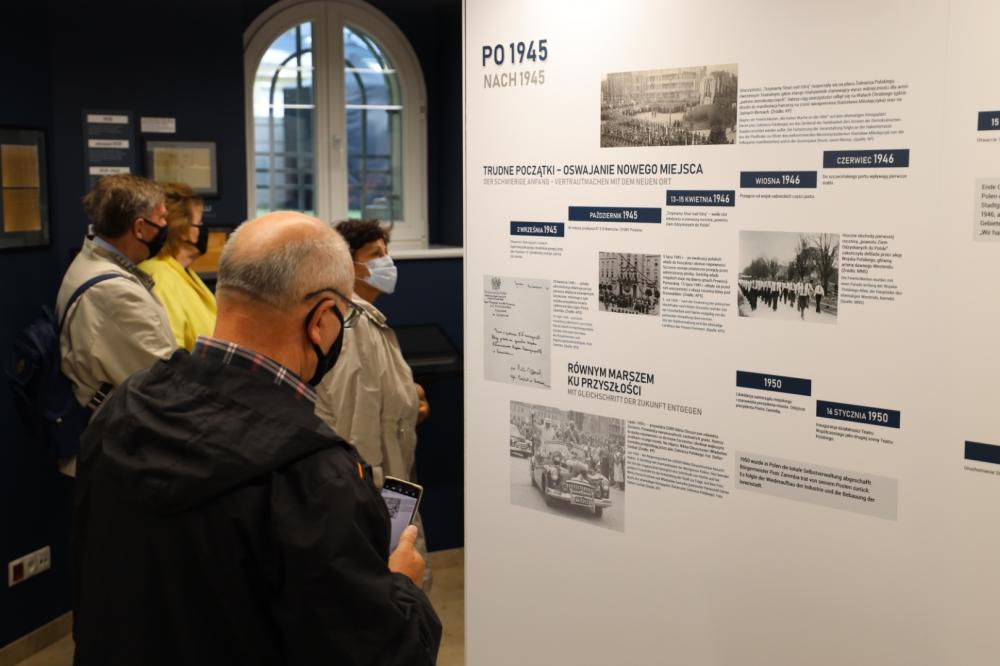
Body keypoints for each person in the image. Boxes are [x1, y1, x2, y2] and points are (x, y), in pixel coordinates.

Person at [72, 211, 441, 665]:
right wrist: (403, 589)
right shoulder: (315, 475)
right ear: (321, 319)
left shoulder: (124, 409)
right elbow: (382, 653)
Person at [314, 219, 433, 585]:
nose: (387, 262)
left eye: (387, 252)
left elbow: (378, 393)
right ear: (348, 265)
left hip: (389, 485)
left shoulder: (365, 320)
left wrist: (409, 399)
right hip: (375, 495)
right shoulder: (352, 329)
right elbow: (356, 429)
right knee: (393, 587)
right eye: (375, 254)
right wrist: (374, 510)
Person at [56, 174, 176, 475]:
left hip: (110, 440)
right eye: (162, 218)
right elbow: (163, 380)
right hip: (117, 452)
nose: (166, 226)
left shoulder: (91, 262)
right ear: (140, 227)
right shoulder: (115, 292)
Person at [138, 182, 217, 350]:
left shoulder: (181, 271)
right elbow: (172, 353)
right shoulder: (159, 279)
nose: (203, 229)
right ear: (183, 230)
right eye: (200, 223)